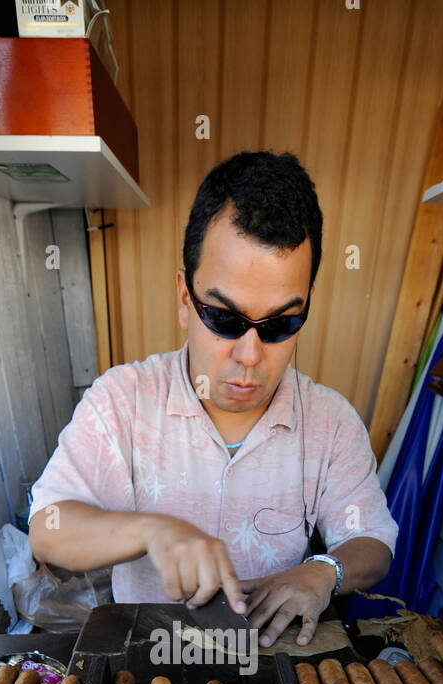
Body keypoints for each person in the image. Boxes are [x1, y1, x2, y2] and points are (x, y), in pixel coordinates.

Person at [29, 150, 397, 647]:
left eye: (281, 324)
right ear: (186, 299)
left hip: (273, 660)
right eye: (225, 318)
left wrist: (322, 571)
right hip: (148, 661)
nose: (249, 356)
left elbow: (371, 542)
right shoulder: (122, 400)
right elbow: (47, 528)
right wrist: (150, 531)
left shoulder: (329, 421)